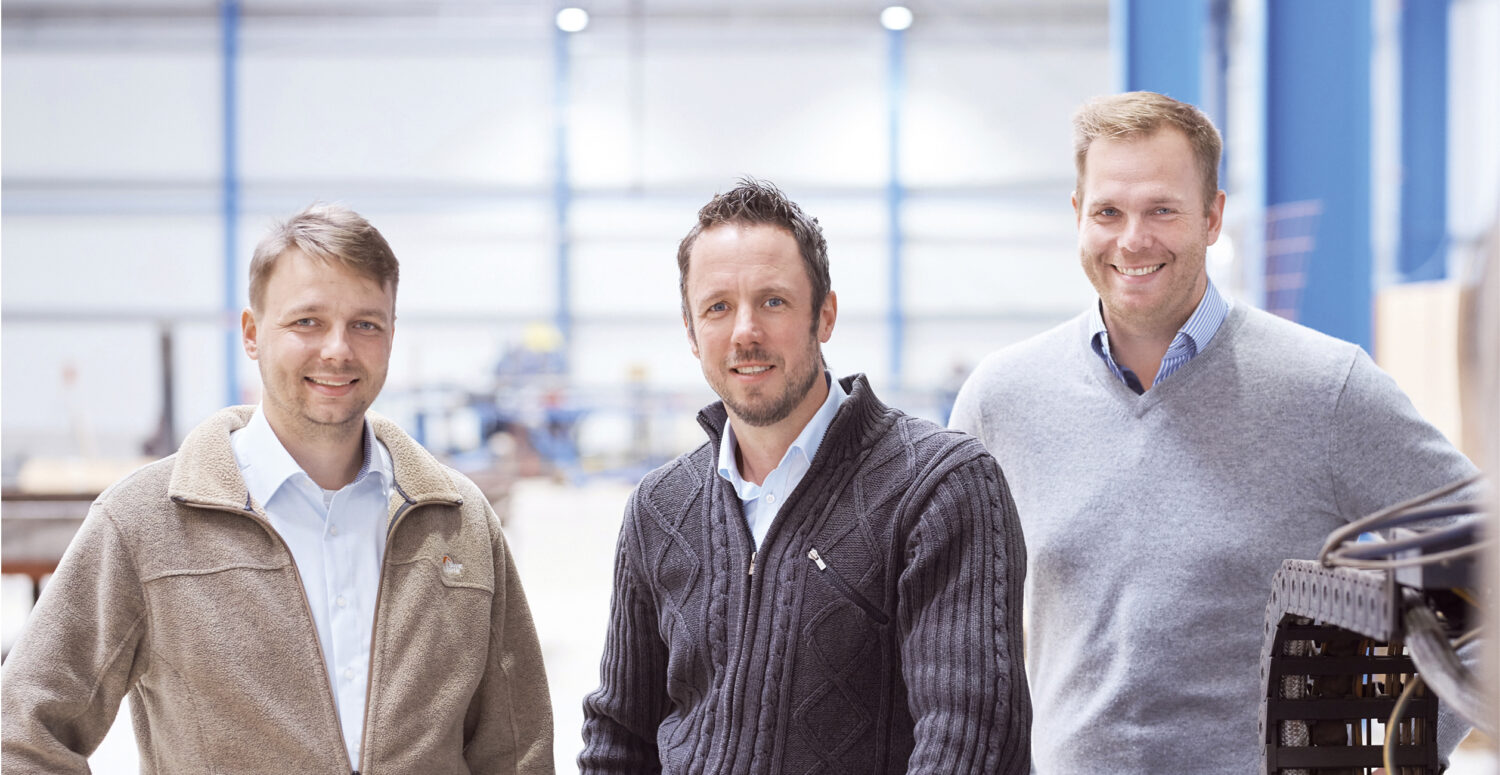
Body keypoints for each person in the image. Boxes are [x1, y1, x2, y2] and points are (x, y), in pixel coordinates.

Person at [949, 91, 1480, 772]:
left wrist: (1400, 747)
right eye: (1108, 212)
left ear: (1212, 216)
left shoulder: (1326, 389)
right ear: (1078, 214)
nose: (1132, 239)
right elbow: (951, 637)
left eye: (1162, 210)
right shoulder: (1001, 400)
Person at [2, 204, 556, 774]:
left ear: (391, 336)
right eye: (307, 322)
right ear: (252, 334)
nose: (337, 349)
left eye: (365, 324)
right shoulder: (143, 523)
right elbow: (22, 733)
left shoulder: (460, 523)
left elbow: (517, 749)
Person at [579, 178, 1031, 774]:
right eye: (718, 307)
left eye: (773, 302)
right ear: (690, 331)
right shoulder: (659, 507)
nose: (745, 332)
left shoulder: (940, 488)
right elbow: (618, 738)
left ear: (825, 315)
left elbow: (969, 740)